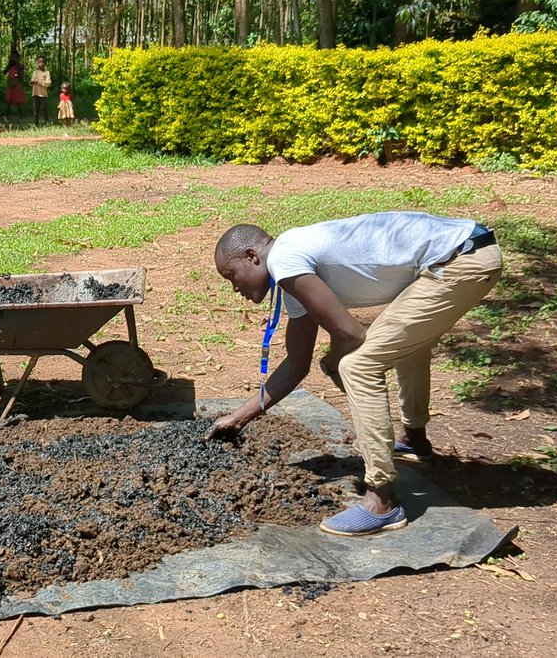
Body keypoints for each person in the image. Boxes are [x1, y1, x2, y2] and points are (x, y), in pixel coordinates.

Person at [209, 211, 502, 537]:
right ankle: (414, 439)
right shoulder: (291, 268)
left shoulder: (284, 260)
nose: (234, 287)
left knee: (357, 365)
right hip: (467, 249)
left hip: (459, 260)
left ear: (252, 256)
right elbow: (296, 364)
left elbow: (350, 334)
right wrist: (238, 419)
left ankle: (381, 502)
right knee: (408, 345)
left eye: (231, 275)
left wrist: (334, 360)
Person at [3, 51, 26, 120]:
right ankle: (6, 116)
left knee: (18, 102)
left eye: (14, 57)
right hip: (10, 85)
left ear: (17, 58)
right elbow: (4, 72)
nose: (13, 58)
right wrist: (8, 65)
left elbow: (21, 77)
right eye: (12, 57)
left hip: (17, 86)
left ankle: (21, 116)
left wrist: (16, 81)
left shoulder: (20, 66)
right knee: (8, 101)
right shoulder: (10, 66)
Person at [30, 56, 51, 126]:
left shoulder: (47, 73)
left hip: (43, 94)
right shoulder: (35, 72)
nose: (41, 64)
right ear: (38, 63)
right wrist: (32, 82)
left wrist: (39, 82)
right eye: (40, 62)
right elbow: (32, 81)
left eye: (43, 62)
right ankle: (36, 124)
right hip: (35, 93)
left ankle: (46, 123)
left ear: (45, 63)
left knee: (44, 109)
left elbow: (48, 83)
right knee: (36, 110)